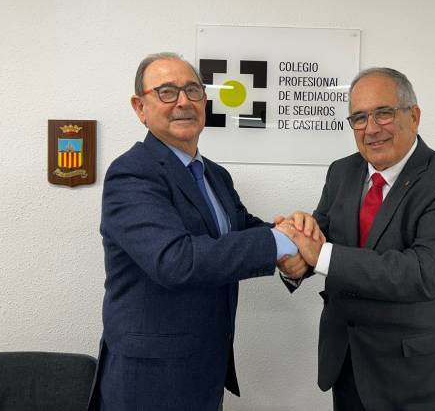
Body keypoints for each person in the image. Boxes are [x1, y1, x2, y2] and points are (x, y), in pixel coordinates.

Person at [89, 52, 319, 411]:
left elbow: (243, 230)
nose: (183, 101)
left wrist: (297, 235)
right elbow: (175, 260)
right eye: (167, 92)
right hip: (149, 381)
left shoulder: (215, 175)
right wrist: (280, 241)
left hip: (204, 371)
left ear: (205, 102)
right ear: (140, 107)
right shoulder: (132, 173)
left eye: (192, 90)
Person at [277, 67, 435, 411]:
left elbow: (426, 273)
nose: (371, 128)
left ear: (414, 116)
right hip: (349, 366)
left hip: (425, 377)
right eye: (359, 118)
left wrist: (319, 254)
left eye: (383, 113)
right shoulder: (342, 171)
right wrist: (293, 256)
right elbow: (323, 234)